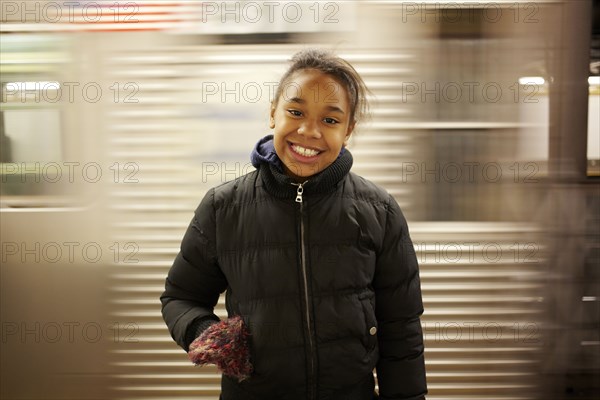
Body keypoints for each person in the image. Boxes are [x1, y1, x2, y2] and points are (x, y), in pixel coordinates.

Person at [160, 49, 427, 400]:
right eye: (296, 112)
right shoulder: (223, 208)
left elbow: (401, 328)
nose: (308, 131)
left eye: (330, 120)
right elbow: (180, 297)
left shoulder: (380, 211)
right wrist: (208, 332)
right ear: (273, 113)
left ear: (349, 130)